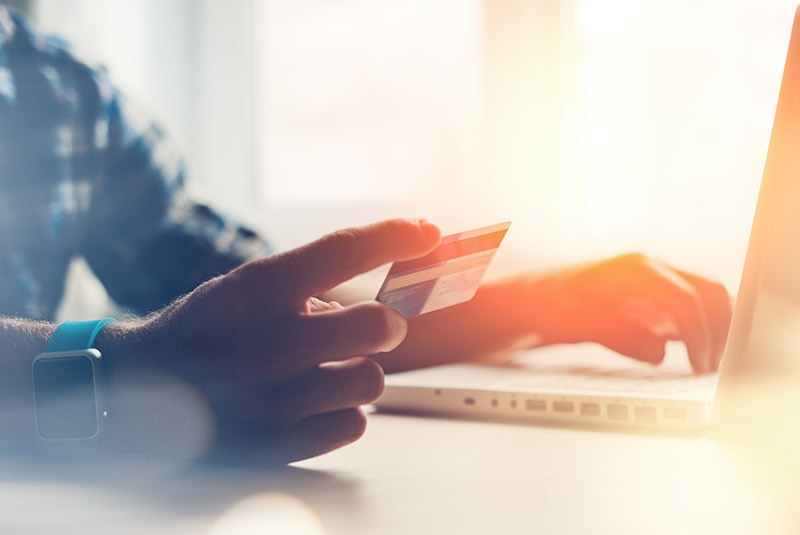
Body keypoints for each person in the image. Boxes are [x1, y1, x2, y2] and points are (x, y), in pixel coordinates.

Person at [0, 7, 731, 463]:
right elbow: (170, 353)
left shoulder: (67, 95)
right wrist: (116, 373)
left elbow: (263, 317)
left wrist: (532, 305)